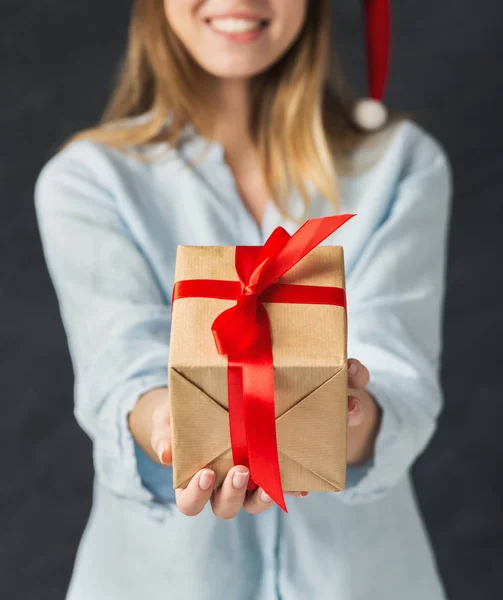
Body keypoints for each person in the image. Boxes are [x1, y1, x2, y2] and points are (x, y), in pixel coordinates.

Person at [34, 1, 452, 599]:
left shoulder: (400, 163)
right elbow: (119, 369)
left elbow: (398, 368)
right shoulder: (89, 180)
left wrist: (344, 421)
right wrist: (173, 431)